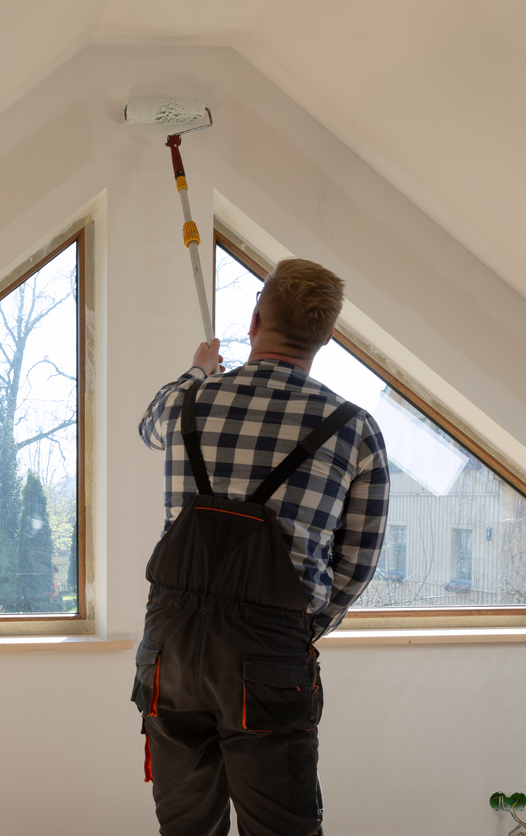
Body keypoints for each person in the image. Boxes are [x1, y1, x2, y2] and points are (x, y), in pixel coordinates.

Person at [134, 258, 390, 836]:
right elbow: (358, 561)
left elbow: (149, 425)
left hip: (171, 649)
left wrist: (198, 372)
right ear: (326, 337)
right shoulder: (352, 428)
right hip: (270, 656)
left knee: (185, 828)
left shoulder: (190, 403)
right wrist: (299, 628)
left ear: (254, 321)